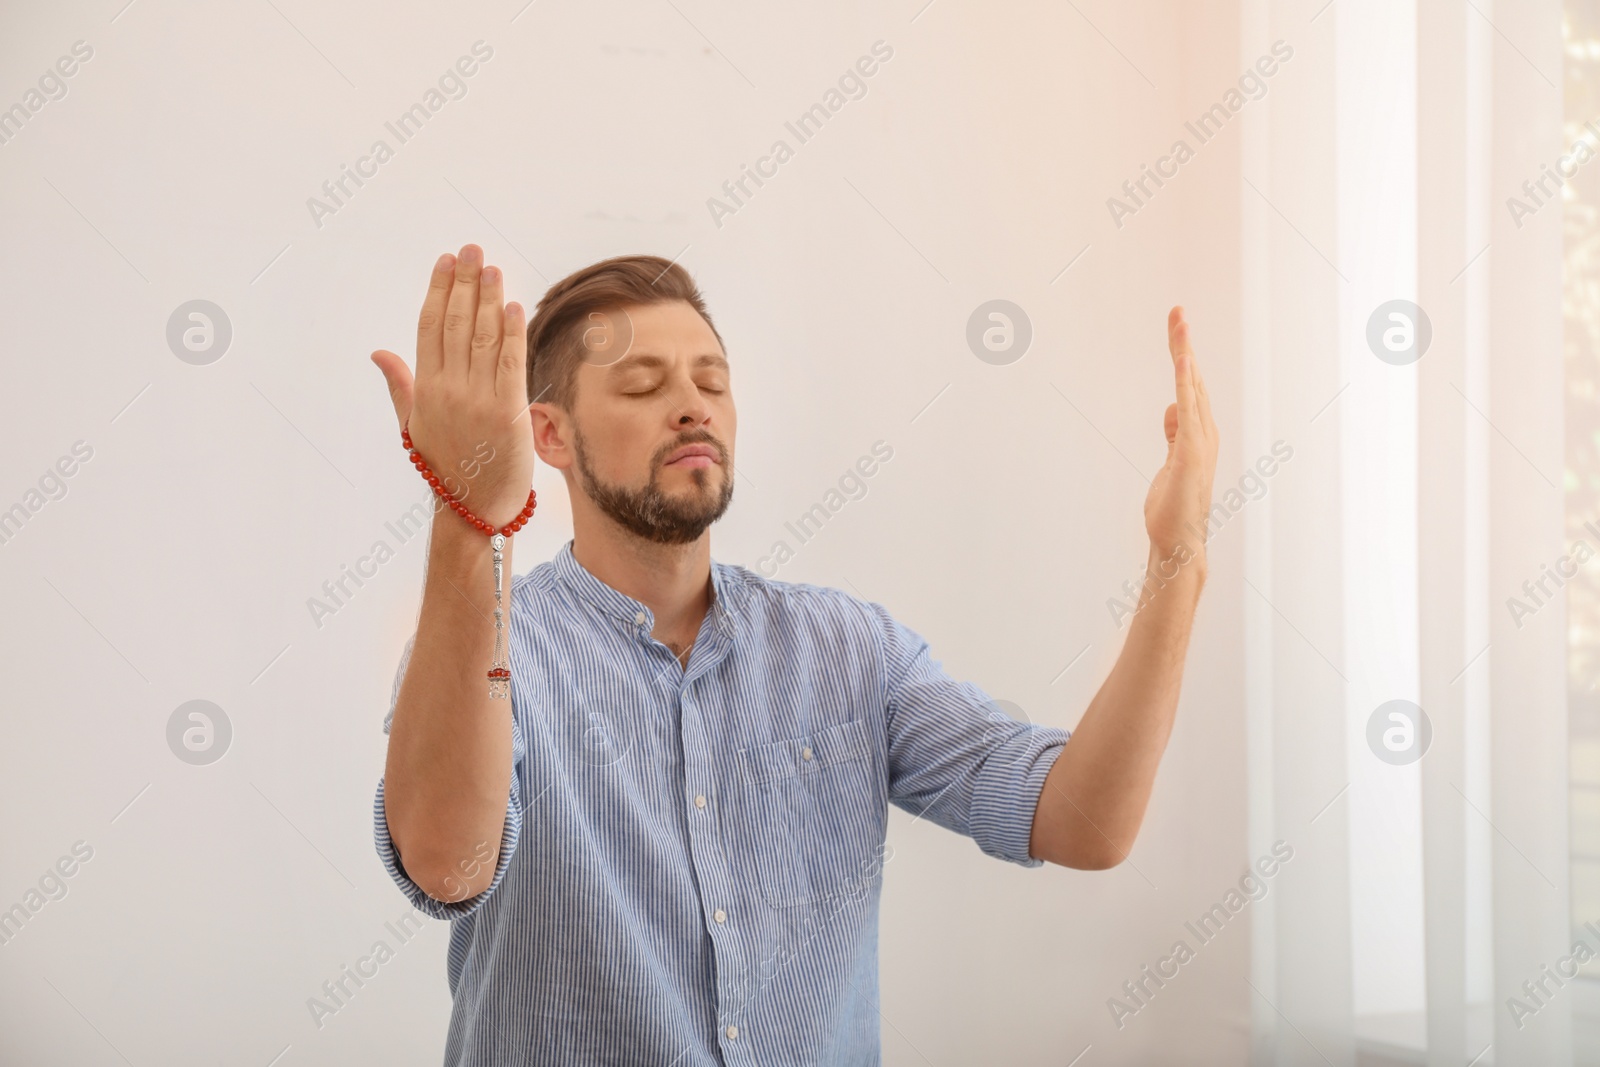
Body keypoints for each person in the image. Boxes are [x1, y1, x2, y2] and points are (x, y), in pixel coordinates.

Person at [368, 243, 1218, 1065]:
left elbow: (1084, 822)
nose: (695, 405)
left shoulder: (848, 648)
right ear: (548, 435)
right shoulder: (489, 653)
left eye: (713, 380)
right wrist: (469, 515)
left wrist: (1176, 561)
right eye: (643, 384)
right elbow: (448, 867)